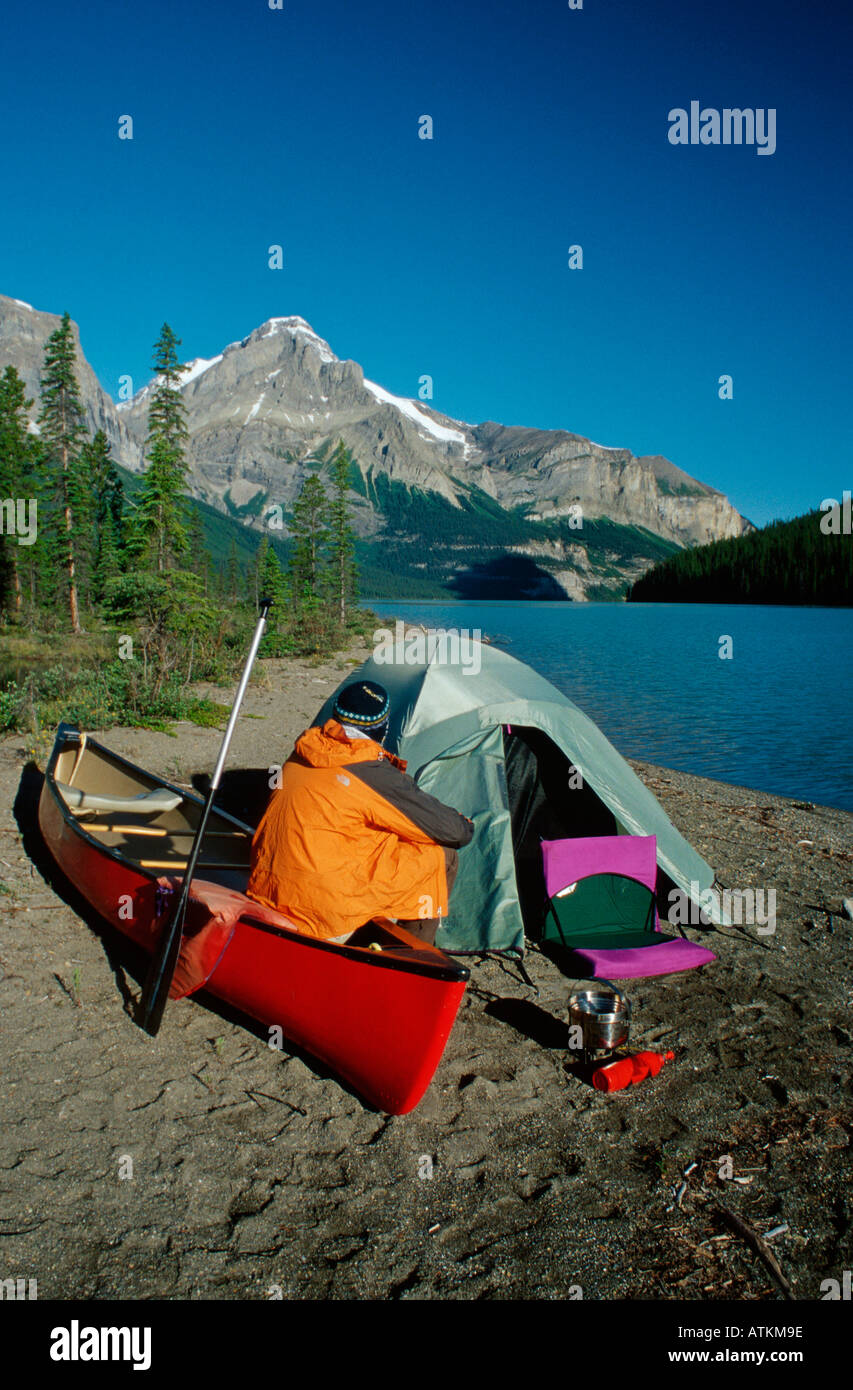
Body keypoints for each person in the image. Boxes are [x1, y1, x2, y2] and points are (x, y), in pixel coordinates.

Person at [246, 679, 474, 945]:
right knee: (441, 855)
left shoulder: (303, 750)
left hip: (266, 888)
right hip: (324, 912)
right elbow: (457, 832)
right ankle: (411, 954)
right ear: (383, 727)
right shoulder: (370, 772)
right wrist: (467, 822)